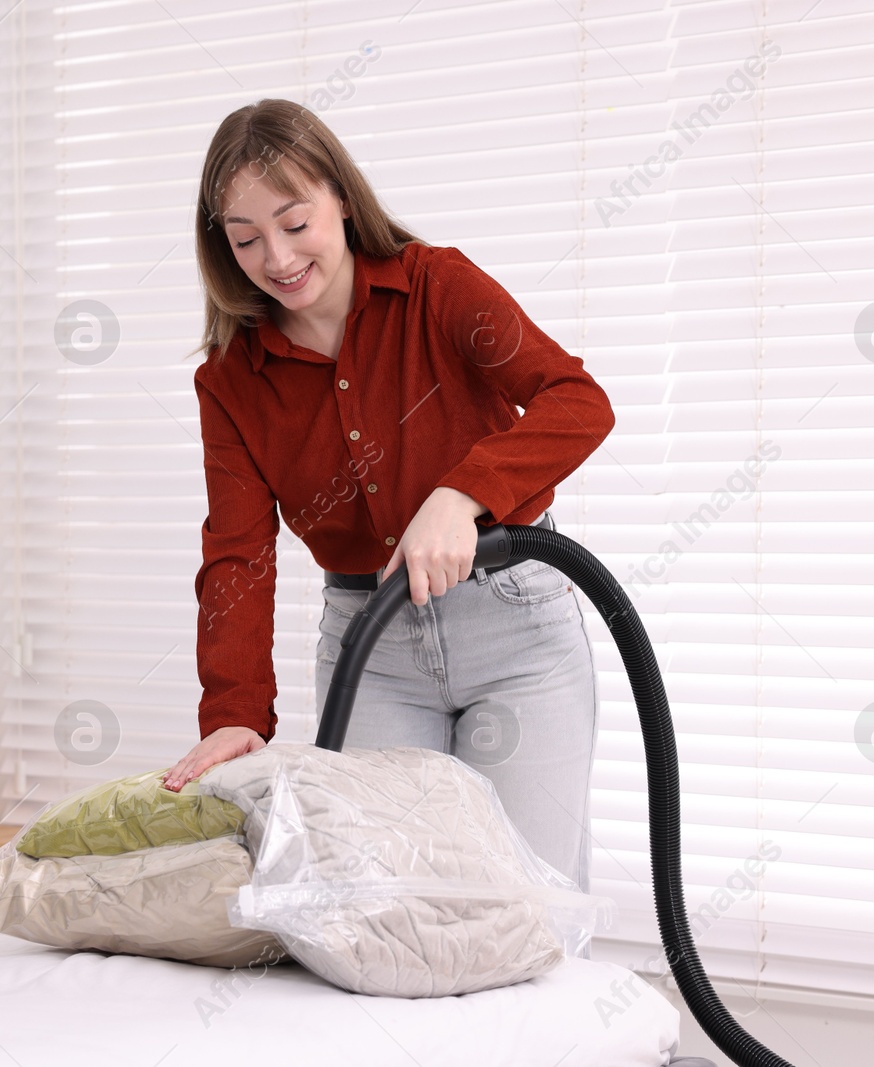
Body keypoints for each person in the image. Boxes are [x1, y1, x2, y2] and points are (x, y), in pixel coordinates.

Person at [158, 98, 616, 896]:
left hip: (514, 635)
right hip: (374, 655)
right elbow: (237, 550)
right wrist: (235, 710)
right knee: (384, 910)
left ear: (340, 195)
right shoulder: (229, 382)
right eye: (246, 238)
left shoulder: (438, 286)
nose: (277, 255)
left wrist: (464, 493)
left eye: (295, 222)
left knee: (525, 907)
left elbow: (576, 401)